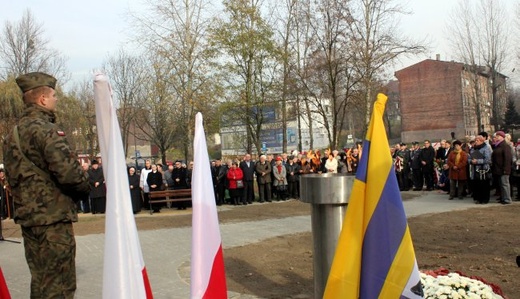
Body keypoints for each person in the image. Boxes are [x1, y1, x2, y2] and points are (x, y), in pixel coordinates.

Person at [3, 72, 90, 298]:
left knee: (41, 282)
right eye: (53, 95)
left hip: (29, 219)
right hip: (53, 220)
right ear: (42, 99)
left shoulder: (12, 135)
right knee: (60, 285)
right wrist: (85, 190)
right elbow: (70, 175)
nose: (56, 99)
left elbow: (11, 178)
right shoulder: (46, 130)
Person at [468, 135, 492, 204]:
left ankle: (485, 199)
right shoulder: (473, 149)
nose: (476, 141)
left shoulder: (486, 148)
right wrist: (471, 161)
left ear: (482, 141)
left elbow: (488, 160)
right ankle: (477, 198)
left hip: (484, 170)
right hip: (474, 169)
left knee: (484, 185)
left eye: (477, 140)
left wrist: (477, 161)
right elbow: (469, 158)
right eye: (475, 140)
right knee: (476, 184)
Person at [491, 131, 512, 204]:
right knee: (501, 184)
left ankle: (507, 199)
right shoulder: (497, 146)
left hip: (503, 169)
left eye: (498, 136)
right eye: (496, 136)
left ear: (502, 137)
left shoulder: (505, 146)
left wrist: (506, 169)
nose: (496, 137)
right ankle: (503, 197)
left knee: (505, 184)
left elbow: (507, 158)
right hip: (498, 168)